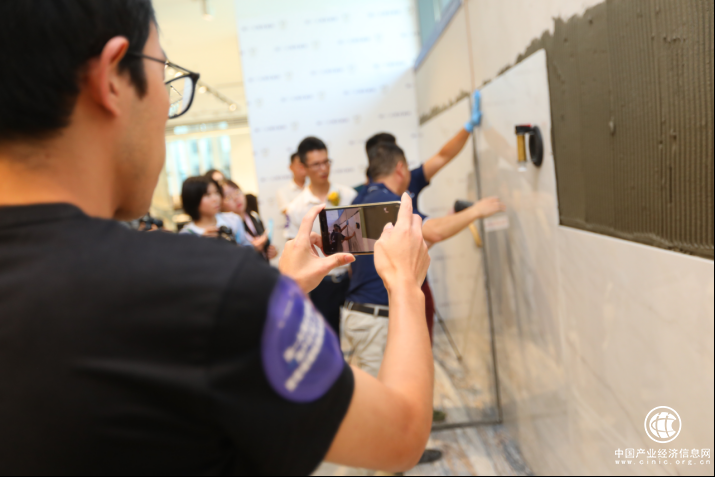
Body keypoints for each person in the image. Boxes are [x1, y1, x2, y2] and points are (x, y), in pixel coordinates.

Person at [0, 2, 434, 474]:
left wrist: (279, 292)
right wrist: (404, 284)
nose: (168, 107)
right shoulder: (206, 287)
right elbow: (400, 433)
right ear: (112, 79)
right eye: (165, 76)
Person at [342, 143, 506, 378]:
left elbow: (374, 259)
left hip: (362, 314)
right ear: (400, 168)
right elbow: (435, 232)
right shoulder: (389, 203)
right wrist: (476, 210)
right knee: (386, 395)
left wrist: (447, 223)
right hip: (376, 318)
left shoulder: (359, 198)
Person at [286, 137, 358, 337]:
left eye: (326, 162)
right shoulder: (296, 208)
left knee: (358, 335)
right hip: (321, 284)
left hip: (352, 278)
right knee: (328, 339)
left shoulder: (348, 195)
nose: (323, 168)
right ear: (303, 167)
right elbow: (295, 251)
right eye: (316, 164)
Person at [179, 176, 252, 246]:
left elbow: (246, 248)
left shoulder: (233, 220)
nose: (215, 198)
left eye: (216, 192)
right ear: (193, 199)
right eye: (208, 194)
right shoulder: (186, 235)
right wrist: (201, 244)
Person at [222, 179, 277, 261]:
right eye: (228, 197)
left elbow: (266, 245)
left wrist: (271, 251)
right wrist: (252, 249)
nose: (236, 198)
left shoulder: (254, 215)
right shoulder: (225, 228)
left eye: (237, 192)